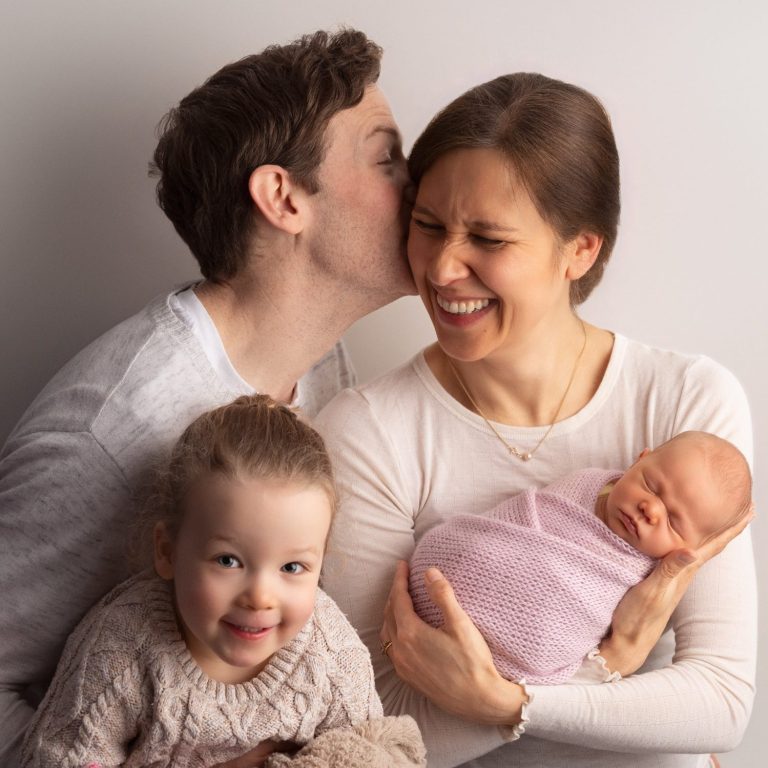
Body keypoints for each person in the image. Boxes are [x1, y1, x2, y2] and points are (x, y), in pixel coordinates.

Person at [315, 72, 755, 767]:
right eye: (428, 226)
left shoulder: (684, 404)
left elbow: (720, 701)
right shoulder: (368, 434)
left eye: (487, 239)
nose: (443, 266)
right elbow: (375, 730)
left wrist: (507, 703)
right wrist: (606, 665)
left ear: (580, 250)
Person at [0, 28, 413, 767]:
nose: (417, 185)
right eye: (387, 157)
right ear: (284, 198)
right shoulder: (116, 428)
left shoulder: (323, 368)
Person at [21, 395, 426, 768]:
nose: (260, 597)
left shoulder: (332, 657)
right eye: (228, 560)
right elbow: (60, 757)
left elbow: (381, 750)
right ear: (167, 551)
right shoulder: (119, 650)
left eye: (292, 568)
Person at [409, 431, 752, 685]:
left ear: (691, 547)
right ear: (639, 459)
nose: (651, 510)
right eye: (651, 486)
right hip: (449, 571)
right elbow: (521, 521)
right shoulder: (588, 484)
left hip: (514, 654)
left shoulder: (648, 579)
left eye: (674, 521)